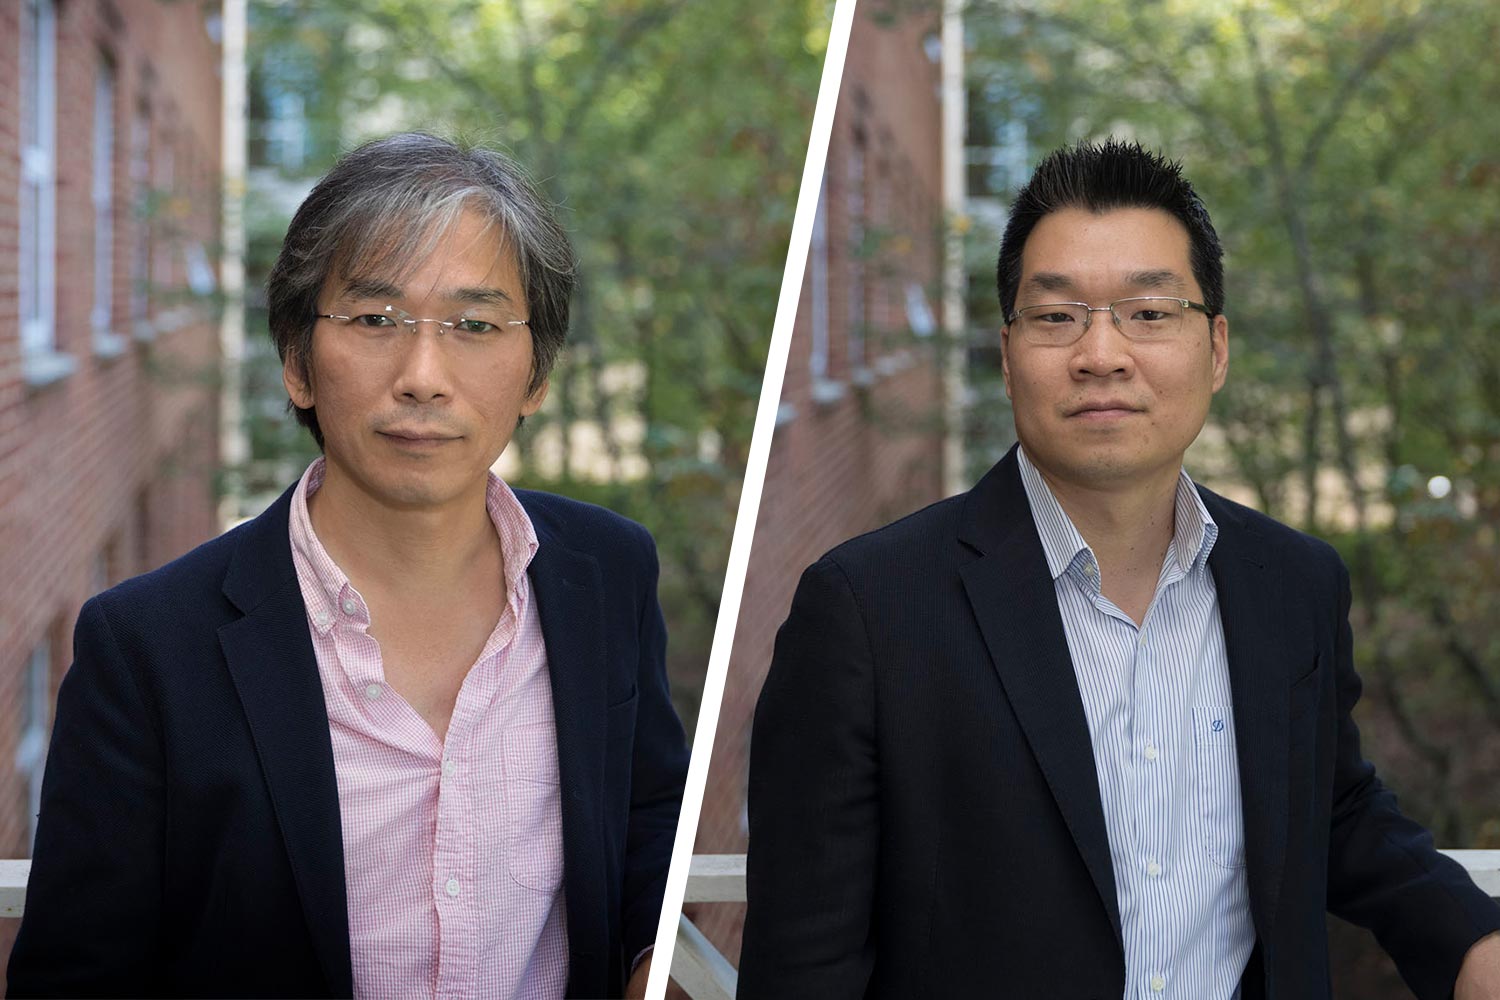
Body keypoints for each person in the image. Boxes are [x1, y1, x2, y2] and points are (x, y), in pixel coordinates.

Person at [738, 139, 1500, 999]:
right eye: (1056, 316)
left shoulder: (1294, 584)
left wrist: (1471, 939)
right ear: (1007, 350)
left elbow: (1330, 802)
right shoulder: (869, 613)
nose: (1102, 353)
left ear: (1216, 348)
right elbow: (804, 962)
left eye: (1149, 311)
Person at [8, 133, 688, 1000]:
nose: (423, 376)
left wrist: (647, 962)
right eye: (375, 321)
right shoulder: (147, 647)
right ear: (297, 363)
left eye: (476, 325)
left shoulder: (606, 572)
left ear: (536, 373)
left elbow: (646, 815)